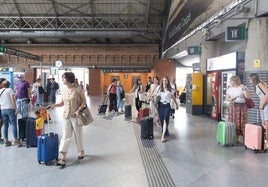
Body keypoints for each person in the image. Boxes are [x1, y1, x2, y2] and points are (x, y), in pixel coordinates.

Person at [48, 72, 86, 167]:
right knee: (66, 136)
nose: (62, 80)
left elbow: (84, 102)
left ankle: (81, 151)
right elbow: (62, 103)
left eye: (64, 78)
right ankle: (63, 158)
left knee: (78, 135)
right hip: (66, 116)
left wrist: (78, 110)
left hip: (76, 116)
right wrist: (54, 105)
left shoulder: (78, 89)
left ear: (69, 79)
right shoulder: (63, 90)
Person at [226, 75, 250, 142]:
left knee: (242, 122)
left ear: (235, 81)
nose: (230, 82)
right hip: (232, 106)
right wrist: (231, 99)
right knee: (233, 122)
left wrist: (244, 89)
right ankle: (235, 138)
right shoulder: (230, 88)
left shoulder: (243, 87)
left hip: (241, 107)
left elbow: (248, 97)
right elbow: (227, 98)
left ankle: (246, 139)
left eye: (231, 81)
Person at [156, 76, 179, 142]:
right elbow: (157, 98)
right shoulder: (159, 89)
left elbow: (173, 97)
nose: (164, 81)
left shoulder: (170, 90)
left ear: (168, 81)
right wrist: (154, 102)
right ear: (162, 81)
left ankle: (163, 136)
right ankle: (165, 131)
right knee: (161, 120)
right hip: (160, 105)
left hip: (167, 106)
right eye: (163, 80)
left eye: (166, 80)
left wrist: (176, 104)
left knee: (165, 119)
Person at [0, 80, 22, 147]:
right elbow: (12, 99)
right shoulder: (10, 90)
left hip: (3, 109)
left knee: (5, 125)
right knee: (13, 124)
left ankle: (6, 141)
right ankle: (15, 141)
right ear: (9, 85)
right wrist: (16, 108)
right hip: (10, 109)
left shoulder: (0, 91)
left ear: (3, 85)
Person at [249, 73, 268, 141]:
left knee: (266, 122)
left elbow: (267, 93)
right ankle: (265, 140)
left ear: (253, 79)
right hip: (263, 105)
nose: (249, 80)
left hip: (266, 105)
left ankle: (267, 141)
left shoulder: (260, 84)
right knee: (264, 123)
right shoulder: (257, 85)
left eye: (250, 78)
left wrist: (262, 104)